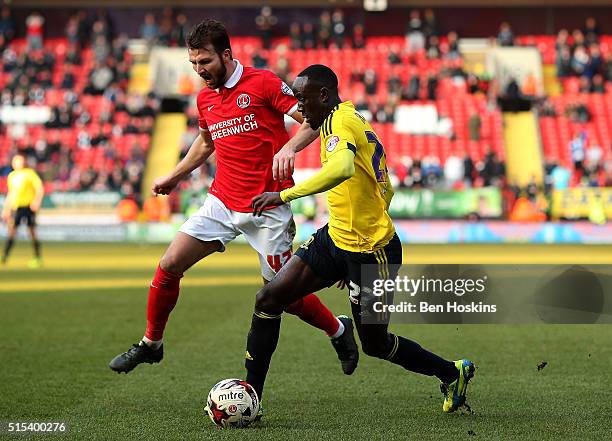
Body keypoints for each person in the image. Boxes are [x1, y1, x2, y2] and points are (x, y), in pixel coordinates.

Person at [108, 21, 358, 379]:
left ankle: (337, 328)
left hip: (267, 207)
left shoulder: (264, 83)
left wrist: (288, 147)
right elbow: (207, 143)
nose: (199, 70)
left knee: (280, 294)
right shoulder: (204, 97)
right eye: (193, 63)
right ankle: (151, 344)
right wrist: (174, 176)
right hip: (222, 202)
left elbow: (313, 120)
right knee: (169, 264)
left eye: (205, 61)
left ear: (226, 54)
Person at [244, 64, 475, 412]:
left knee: (376, 345)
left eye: (303, 100)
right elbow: (386, 190)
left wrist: (284, 196)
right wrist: (346, 244)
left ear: (323, 95)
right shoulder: (340, 120)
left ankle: (451, 372)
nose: (299, 108)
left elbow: (342, 169)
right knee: (269, 298)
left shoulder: (340, 122)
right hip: (337, 239)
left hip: (372, 253)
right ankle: (252, 396)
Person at [1, 155, 44, 267]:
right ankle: (4, 257)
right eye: (15, 161)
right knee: (12, 232)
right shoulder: (12, 176)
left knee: (32, 232)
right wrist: (6, 209)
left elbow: (39, 188)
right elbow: (11, 193)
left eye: (19, 161)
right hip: (16, 207)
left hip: (28, 207)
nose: (17, 163)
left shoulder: (30, 173)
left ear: (23, 162)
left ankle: (37, 258)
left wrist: (36, 201)